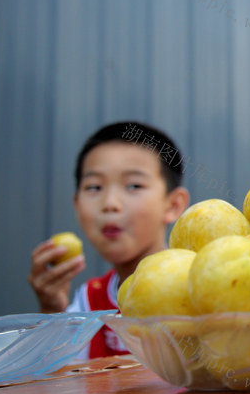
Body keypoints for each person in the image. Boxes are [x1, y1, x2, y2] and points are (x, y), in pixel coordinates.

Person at [27, 121, 189, 358]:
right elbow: (62, 380)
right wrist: (53, 310)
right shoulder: (88, 301)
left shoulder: (195, 288)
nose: (110, 204)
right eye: (94, 187)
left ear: (173, 205)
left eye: (134, 185)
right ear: (77, 204)